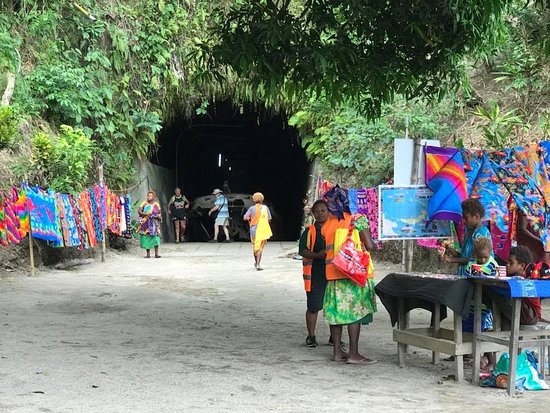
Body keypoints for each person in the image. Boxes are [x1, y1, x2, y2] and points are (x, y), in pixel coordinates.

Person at [322, 187, 378, 365]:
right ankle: (353, 353)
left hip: (333, 273)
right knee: (355, 313)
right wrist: (375, 244)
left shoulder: (327, 224)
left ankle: (337, 352)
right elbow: (369, 245)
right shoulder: (358, 220)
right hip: (354, 275)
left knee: (336, 314)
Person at [299, 200, 330, 348]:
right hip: (315, 272)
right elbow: (302, 250)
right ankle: (311, 336)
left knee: (334, 306)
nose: (320, 213)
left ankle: (334, 338)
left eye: (323, 210)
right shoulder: (309, 231)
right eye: (317, 211)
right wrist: (318, 256)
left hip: (334, 272)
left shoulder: (336, 229)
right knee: (313, 305)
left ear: (329, 212)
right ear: (313, 213)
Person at [442, 198, 492, 275]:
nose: (463, 220)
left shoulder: (481, 234)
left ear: (476, 217)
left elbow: (475, 260)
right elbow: (463, 256)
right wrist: (449, 248)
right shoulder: (469, 232)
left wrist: (451, 259)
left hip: (476, 278)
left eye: (466, 218)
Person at [243, 192, 272, 270]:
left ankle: (256, 262)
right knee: (260, 248)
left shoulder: (251, 208)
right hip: (262, 230)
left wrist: (250, 219)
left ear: (253, 200)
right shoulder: (265, 208)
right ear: (262, 199)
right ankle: (258, 264)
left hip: (253, 230)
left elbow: (245, 217)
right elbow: (269, 219)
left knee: (255, 247)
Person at [138, 190, 162, 258]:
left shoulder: (156, 204)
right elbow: (139, 211)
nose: (149, 197)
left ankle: (156, 254)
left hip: (154, 223)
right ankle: (148, 254)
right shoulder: (144, 203)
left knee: (155, 238)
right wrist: (145, 214)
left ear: (154, 197)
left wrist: (158, 217)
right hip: (146, 223)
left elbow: (159, 213)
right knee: (146, 237)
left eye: (150, 196)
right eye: (148, 195)